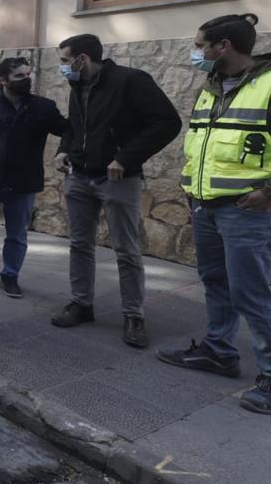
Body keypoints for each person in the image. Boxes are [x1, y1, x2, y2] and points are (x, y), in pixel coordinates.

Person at [158, 13, 271, 415]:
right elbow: (200, 147)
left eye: (200, 45)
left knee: (254, 293)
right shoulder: (211, 87)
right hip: (206, 206)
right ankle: (220, 352)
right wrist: (192, 192)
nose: (196, 52)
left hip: (247, 212)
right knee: (216, 282)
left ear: (222, 46)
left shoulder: (268, 85)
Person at [50, 33, 181, 348]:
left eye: (66, 61)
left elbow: (167, 122)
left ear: (83, 59)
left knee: (126, 249)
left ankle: (133, 315)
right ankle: (81, 304)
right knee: (80, 244)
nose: (62, 68)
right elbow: (75, 126)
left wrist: (125, 157)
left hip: (118, 180)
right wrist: (65, 149)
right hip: (79, 177)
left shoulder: (131, 81)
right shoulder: (77, 84)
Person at [0, 57, 68, 297]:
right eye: (19, 76)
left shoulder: (44, 107)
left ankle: (10, 275)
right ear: (2, 79)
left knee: (17, 235)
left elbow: (68, 130)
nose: (26, 79)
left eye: (28, 74)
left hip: (23, 184)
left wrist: (64, 150)